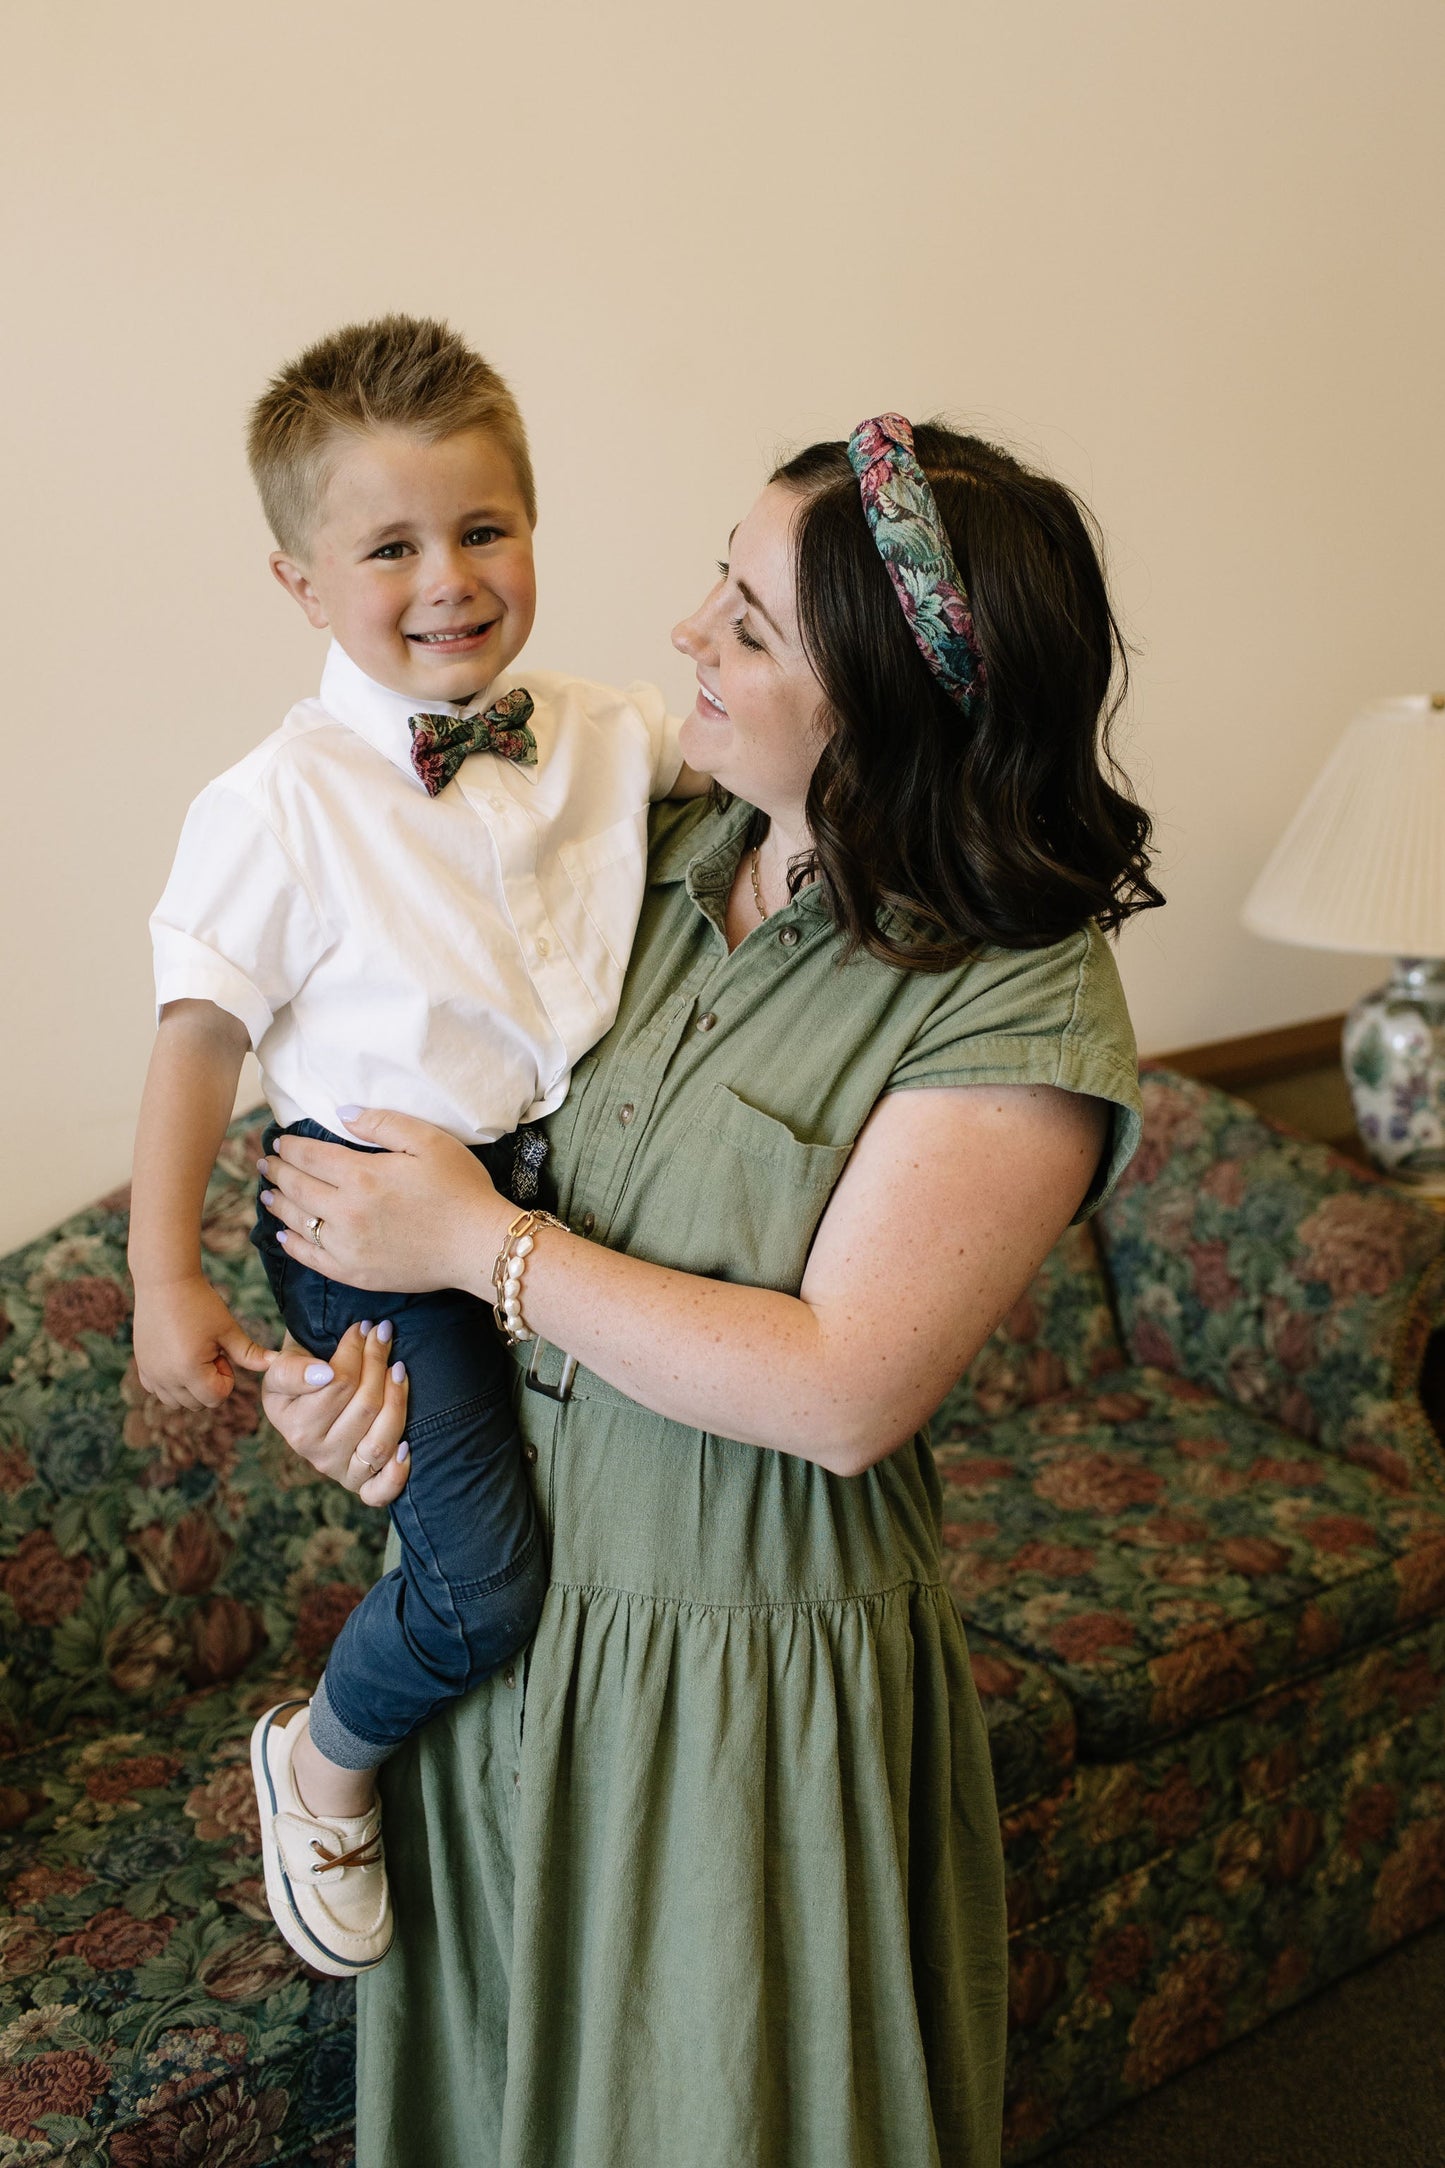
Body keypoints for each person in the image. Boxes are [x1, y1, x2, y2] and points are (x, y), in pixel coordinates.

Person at [256, 413, 1161, 2167]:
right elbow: (424, 1131)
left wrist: (476, 1250)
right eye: (715, 586)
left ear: (891, 707)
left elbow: (842, 1390)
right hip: (505, 1637)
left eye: (749, 625)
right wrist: (354, 1382)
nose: (686, 637)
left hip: (742, 1682)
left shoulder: (1015, 1000)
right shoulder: (646, 865)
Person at [127, 314, 705, 1978]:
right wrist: (163, 1271)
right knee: (485, 1579)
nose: (447, 578)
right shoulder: (276, 803)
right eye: (390, 547)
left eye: (483, 528)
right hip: (370, 1215)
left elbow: (767, 785)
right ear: (301, 583)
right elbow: (198, 1039)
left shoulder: (606, 731)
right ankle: (319, 1763)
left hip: (568, 1187)